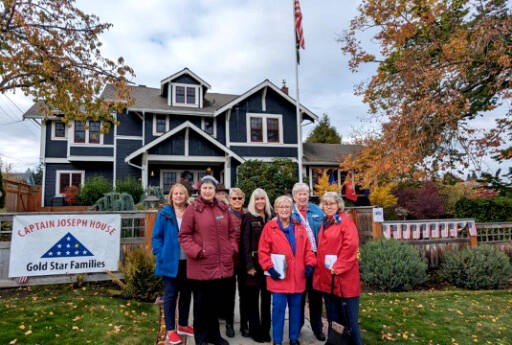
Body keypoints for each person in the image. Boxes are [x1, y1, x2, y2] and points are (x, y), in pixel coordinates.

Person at [179, 176, 238, 345]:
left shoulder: (223, 208)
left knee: (216, 304)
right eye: (204, 188)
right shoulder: (193, 209)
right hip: (201, 265)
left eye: (210, 188)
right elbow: (184, 235)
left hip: (221, 266)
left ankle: (215, 336)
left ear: (214, 191)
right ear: (200, 190)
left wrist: (231, 248)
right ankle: (201, 338)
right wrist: (197, 251)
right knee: (201, 306)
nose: (207, 191)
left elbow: (232, 233)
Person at [258, 195, 316, 345]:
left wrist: (310, 264)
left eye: (287, 207)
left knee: (296, 311)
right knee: (278, 311)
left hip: (298, 278)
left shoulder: (299, 226)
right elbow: (263, 251)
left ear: (291, 209)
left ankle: (293, 338)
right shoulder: (270, 228)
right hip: (279, 278)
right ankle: (277, 340)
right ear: (276, 209)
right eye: (281, 206)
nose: (284, 209)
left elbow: (308, 250)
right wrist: (269, 268)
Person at [313, 192, 363, 345]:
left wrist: (339, 266)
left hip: (344, 279)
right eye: (326, 204)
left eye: (332, 203)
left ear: (338, 205)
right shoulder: (326, 222)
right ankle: (335, 342)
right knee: (333, 319)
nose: (328, 206)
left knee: (349, 320)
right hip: (329, 279)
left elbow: (351, 246)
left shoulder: (345, 222)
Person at [152, 183, 194, 345]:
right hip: (170, 262)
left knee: (185, 295)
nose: (178, 196)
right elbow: (157, 236)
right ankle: (171, 331)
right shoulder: (164, 214)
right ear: (171, 196)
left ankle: (183, 325)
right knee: (170, 297)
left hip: (188, 262)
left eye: (181, 194)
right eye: (175, 193)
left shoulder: (191, 212)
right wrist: (159, 253)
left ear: (186, 196)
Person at [290, 182, 326, 341]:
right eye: (299, 194)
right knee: (298, 297)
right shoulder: (289, 212)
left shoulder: (317, 211)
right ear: (294, 196)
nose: (302, 197)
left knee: (316, 298)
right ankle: (296, 327)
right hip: (298, 261)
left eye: (305, 194)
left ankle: (317, 327)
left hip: (316, 260)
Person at [240, 188, 272, 343]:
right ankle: (255, 331)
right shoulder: (248, 217)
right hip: (253, 264)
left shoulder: (270, 217)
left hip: (268, 265)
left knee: (266, 300)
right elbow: (244, 244)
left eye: (263, 198)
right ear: (253, 200)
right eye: (257, 199)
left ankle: (266, 330)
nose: (260, 201)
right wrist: (248, 266)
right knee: (253, 301)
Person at [220, 187, 248, 338]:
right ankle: (229, 324)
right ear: (229, 200)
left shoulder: (248, 215)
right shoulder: (225, 216)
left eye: (239, 198)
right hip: (230, 261)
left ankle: (244, 325)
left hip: (245, 262)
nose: (237, 201)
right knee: (228, 295)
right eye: (234, 198)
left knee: (245, 295)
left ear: (244, 200)